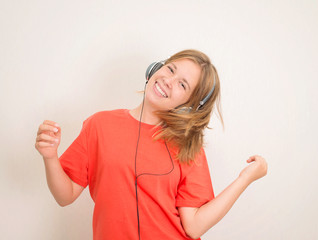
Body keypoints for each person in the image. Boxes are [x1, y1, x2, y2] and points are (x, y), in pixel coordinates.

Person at [35, 49, 268, 240]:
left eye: (182, 85)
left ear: (189, 105)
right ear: (156, 68)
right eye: (170, 69)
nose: (168, 80)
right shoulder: (99, 125)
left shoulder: (188, 147)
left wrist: (244, 179)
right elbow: (65, 196)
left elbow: (195, 226)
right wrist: (50, 156)